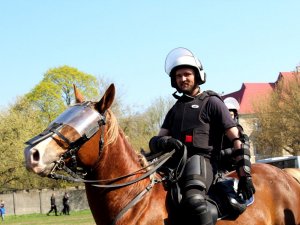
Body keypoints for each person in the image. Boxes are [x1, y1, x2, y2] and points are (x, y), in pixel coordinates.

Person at [149, 47, 255, 225]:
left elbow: (237, 138)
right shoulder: (175, 109)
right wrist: (165, 142)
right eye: (178, 76)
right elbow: (157, 140)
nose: (183, 79)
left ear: (197, 75)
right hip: (176, 166)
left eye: (186, 74)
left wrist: (245, 175)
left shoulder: (211, 102)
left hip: (203, 162)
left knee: (194, 200)